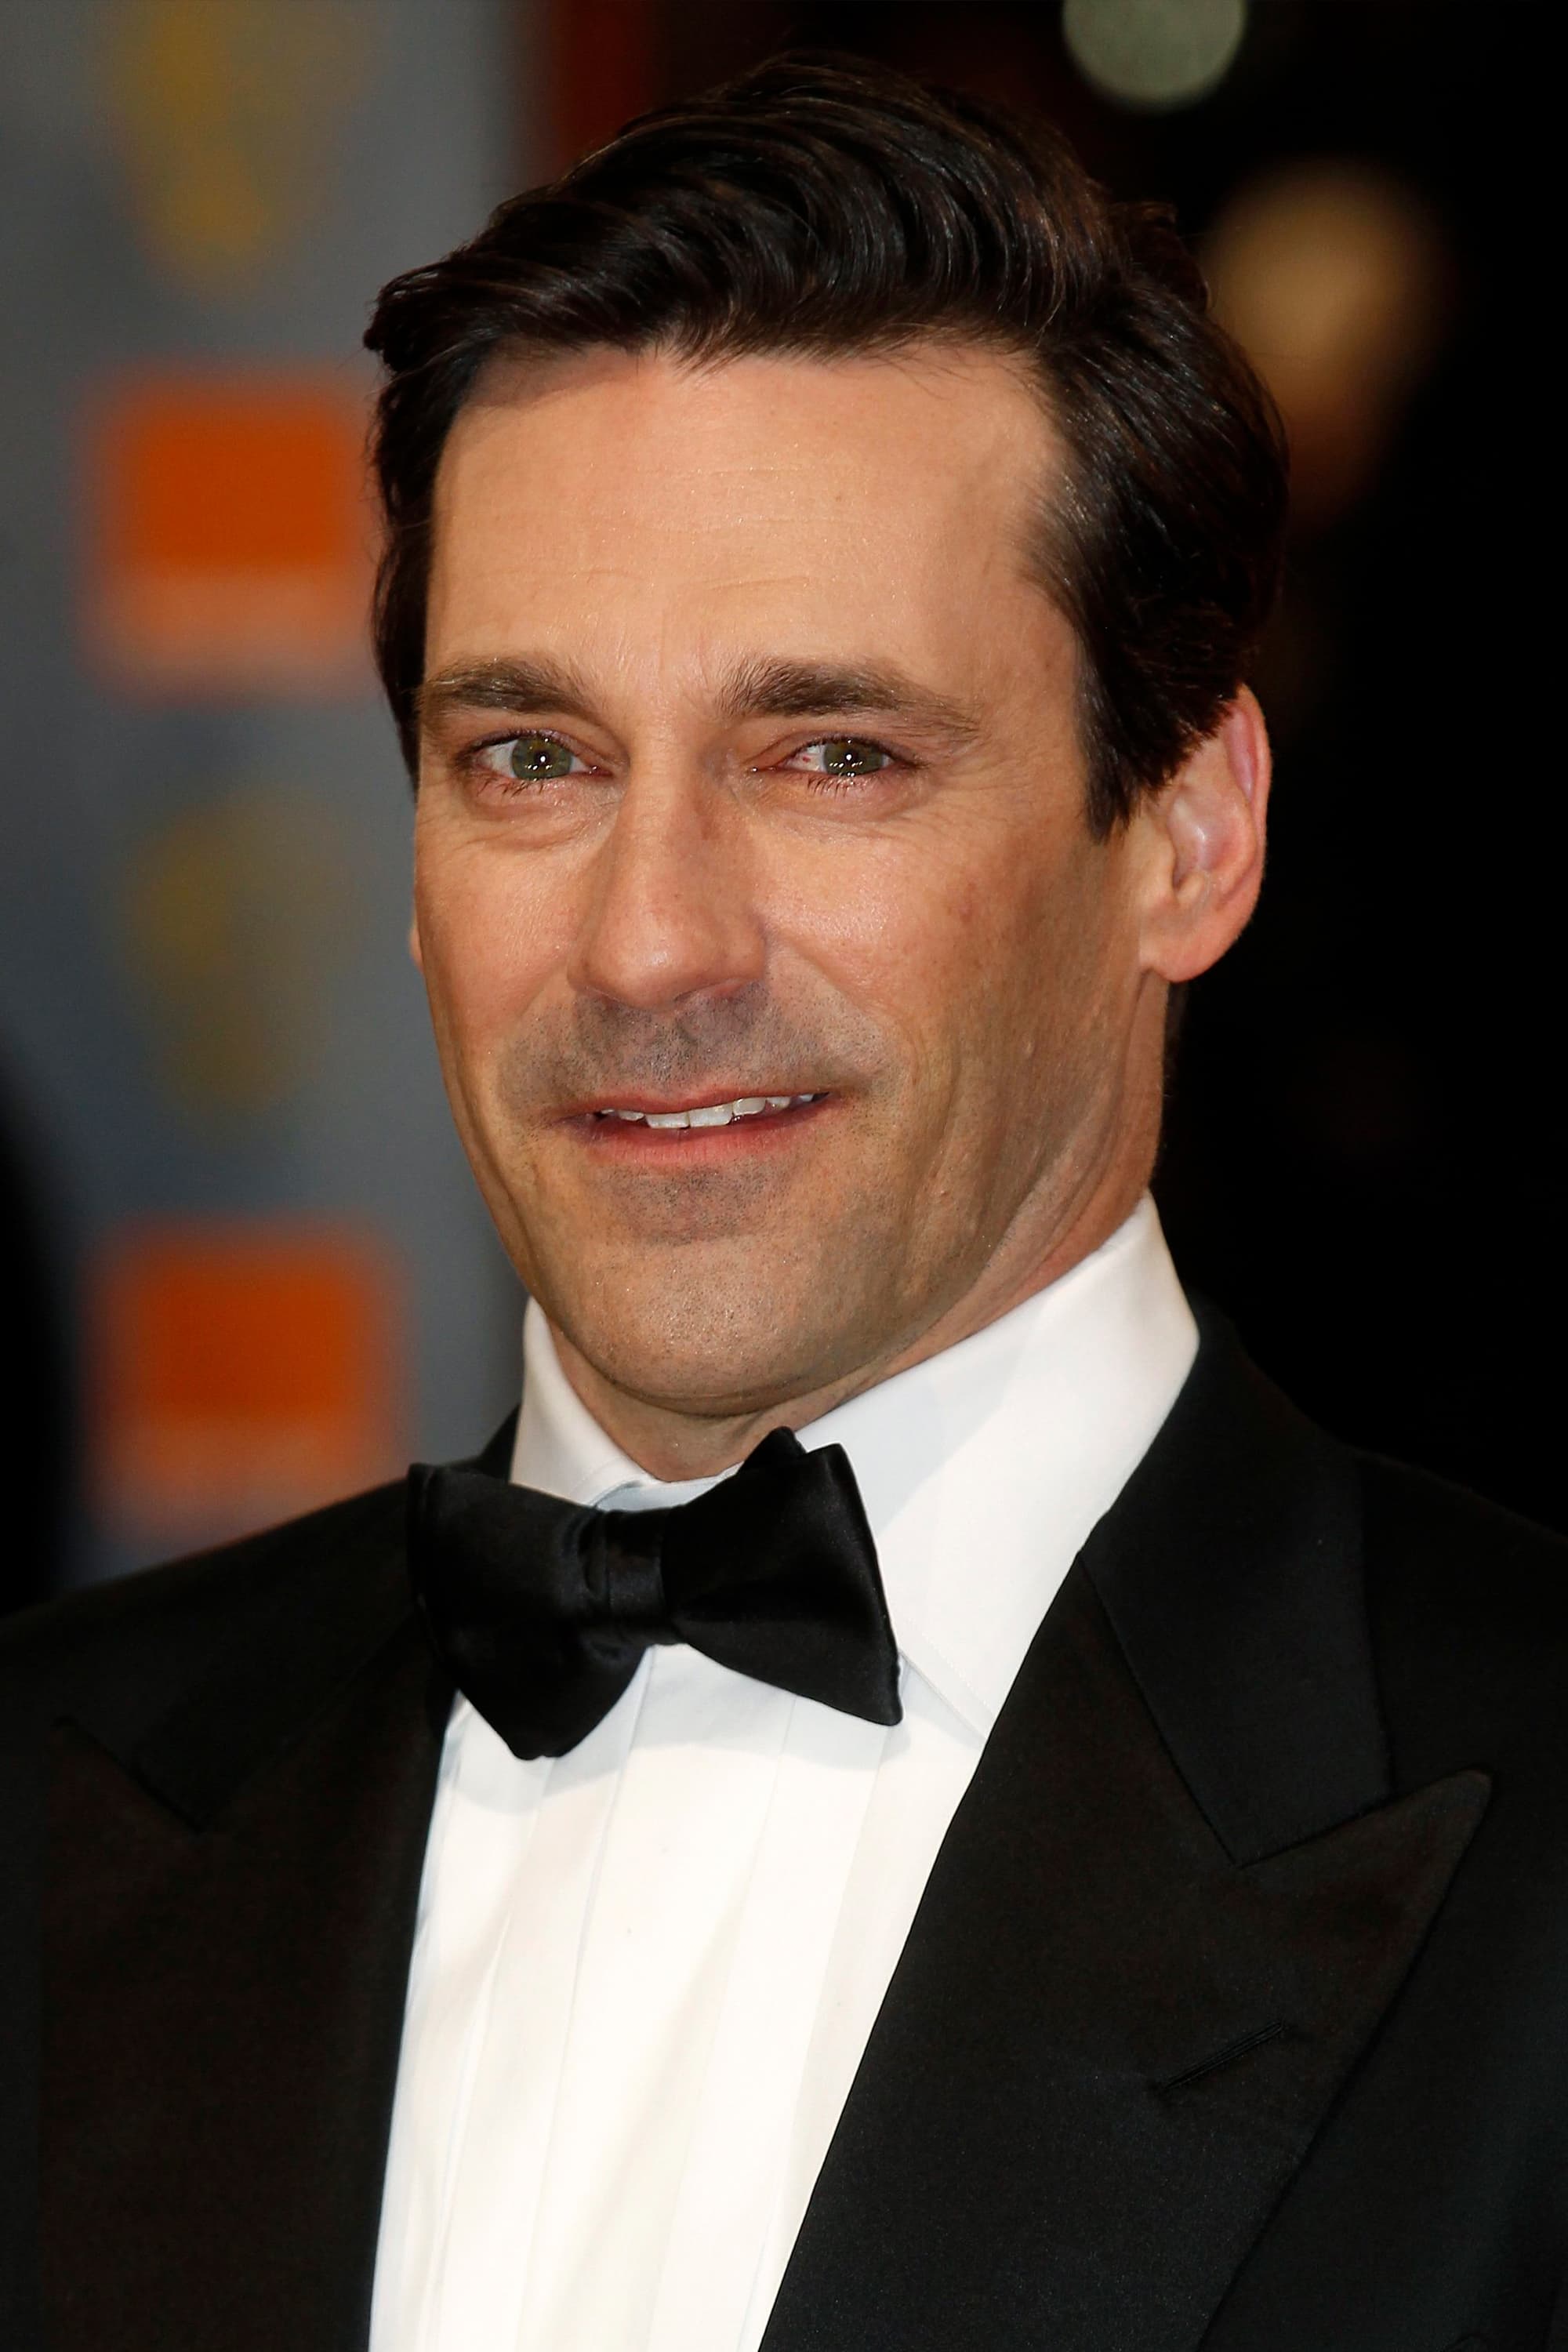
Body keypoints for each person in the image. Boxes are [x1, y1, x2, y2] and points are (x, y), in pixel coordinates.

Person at [2, 54, 1563, 2352]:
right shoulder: (49, 1809)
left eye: (834, 756)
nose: (649, 947)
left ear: (1188, 833)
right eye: (533, 759)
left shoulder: (1523, 1841)